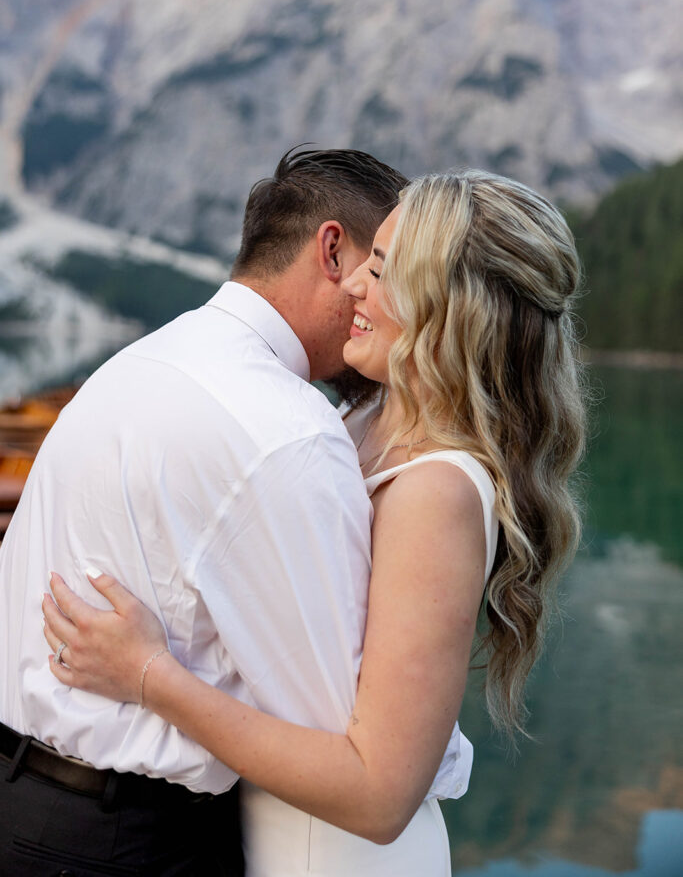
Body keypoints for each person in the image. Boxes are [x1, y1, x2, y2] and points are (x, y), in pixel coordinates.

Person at [42, 169, 587, 876]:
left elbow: (379, 793)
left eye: (383, 269)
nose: (355, 284)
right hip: (267, 838)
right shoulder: (359, 419)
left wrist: (149, 675)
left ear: (447, 305)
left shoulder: (439, 490)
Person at [0, 147, 407, 875]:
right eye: (386, 273)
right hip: (129, 842)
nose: (390, 304)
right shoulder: (286, 430)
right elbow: (344, 738)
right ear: (334, 251)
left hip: (25, 803)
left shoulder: (139, 362)